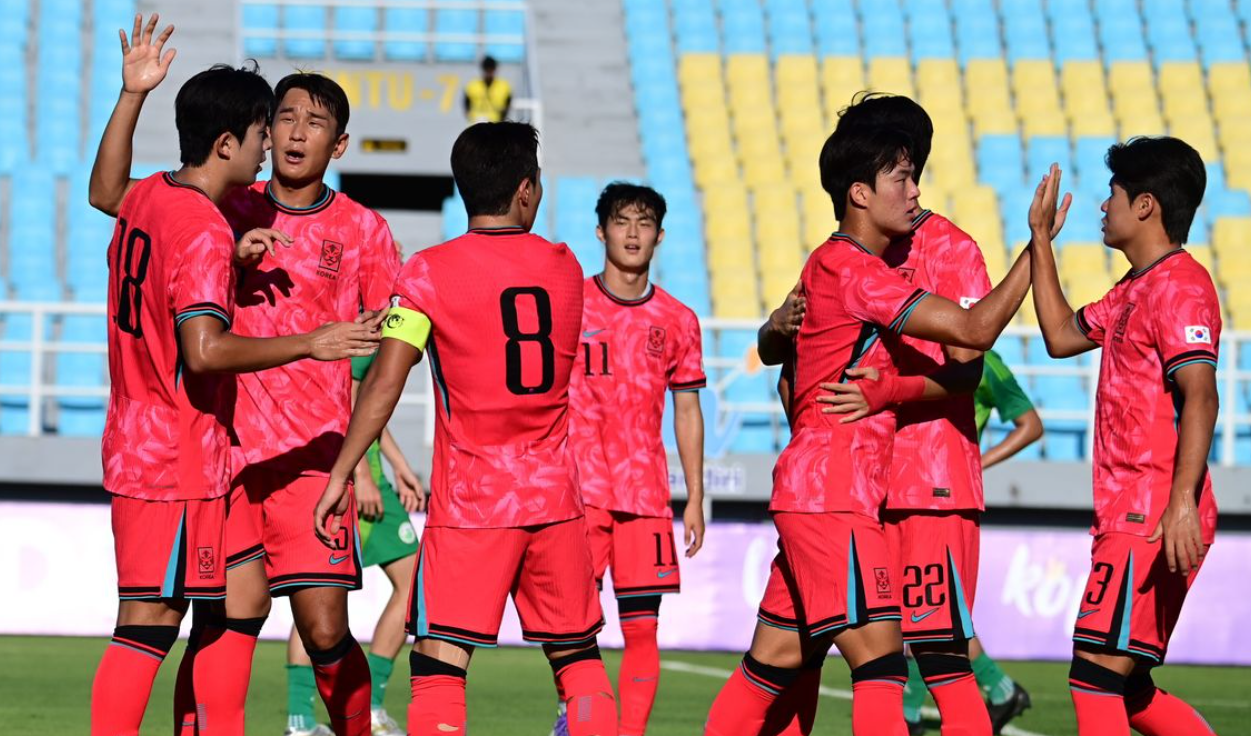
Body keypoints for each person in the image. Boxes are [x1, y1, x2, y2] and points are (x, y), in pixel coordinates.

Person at [89, 19, 401, 736]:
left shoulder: (358, 229)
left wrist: (361, 458)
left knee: (309, 624)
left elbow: (394, 342)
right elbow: (202, 344)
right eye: (277, 119)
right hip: (204, 453)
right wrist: (310, 337)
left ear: (338, 144)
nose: (287, 135)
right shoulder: (216, 210)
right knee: (188, 621)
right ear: (238, 139)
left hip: (292, 455)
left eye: (311, 122)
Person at [702, 114, 1061, 736]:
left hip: (829, 489)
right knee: (885, 667)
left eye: (915, 174)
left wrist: (830, 415)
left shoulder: (838, 261)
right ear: (860, 192)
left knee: (772, 663)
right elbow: (974, 330)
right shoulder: (858, 269)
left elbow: (791, 375)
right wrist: (1038, 245)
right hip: (837, 493)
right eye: (902, 176)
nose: (915, 190)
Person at [315, 122, 619, 736]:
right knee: (579, 663)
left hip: (473, 502)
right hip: (556, 500)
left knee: (438, 667)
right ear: (526, 190)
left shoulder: (427, 274)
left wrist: (342, 471)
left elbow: (384, 383)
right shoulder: (565, 267)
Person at [1029, 136, 1220, 736]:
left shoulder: (1181, 286)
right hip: (1128, 511)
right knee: (1128, 689)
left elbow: (1201, 394)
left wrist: (1181, 499)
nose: (1102, 206)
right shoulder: (1133, 289)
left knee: (1094, 676)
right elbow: (1060, 335)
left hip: (1153, 512)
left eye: (1111, 194)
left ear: (1145, 205)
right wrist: (1040, 242)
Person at [549, 182, 706, 736]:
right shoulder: (570, 303)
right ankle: (574, 715)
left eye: (644, 223)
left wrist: (695, 496)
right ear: (601, 232)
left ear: (660, 236)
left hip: (645, 494)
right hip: (578, 491)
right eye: (622, 221)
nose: (633, 233)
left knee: (642, 630)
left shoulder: (679, 319)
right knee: (574, 624)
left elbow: (687, 410)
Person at [285, 348, 426, 736]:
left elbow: (369, 404)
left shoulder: (371, 323)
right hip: (353, 472)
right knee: (322, 591)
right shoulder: (352, 320)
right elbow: (344, 401)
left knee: (319, 589)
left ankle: (302, 720)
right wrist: (361, 476)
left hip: (362, 467)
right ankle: (358, 710)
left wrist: (399, 465)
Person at [976, 349, 1044, 469]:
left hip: (952, 474)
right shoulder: (938, 356)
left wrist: (976, 466)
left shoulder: (987, 364)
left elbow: (1032, 426)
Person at [463, 56, 512, 123]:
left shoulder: (504, 86)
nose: (489, 72)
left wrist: (502, 119)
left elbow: (507, 104)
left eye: (491, 69)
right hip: (476, 122)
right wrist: (470, 116)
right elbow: (466, 103)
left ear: (494, 69)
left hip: (495, 122)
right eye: (487, 69)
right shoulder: (472, 85)